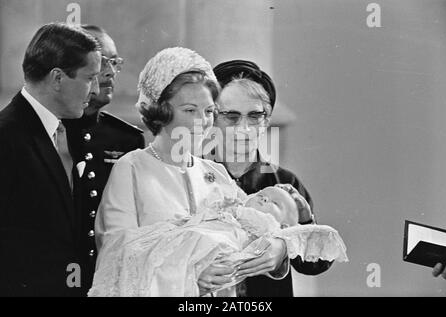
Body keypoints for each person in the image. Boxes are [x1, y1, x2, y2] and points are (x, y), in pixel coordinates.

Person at [95, 47, 289, 296]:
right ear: (161, 111)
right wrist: (188, 274)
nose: (203, 121)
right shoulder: (132, 168)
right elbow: (116, 254)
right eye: (190, 110)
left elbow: (256, 228)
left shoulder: (215, 173)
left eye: (209, 111)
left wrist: (278, 246)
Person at [207, 60, 333, 296]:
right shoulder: (193, 177)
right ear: (212, 118)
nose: (244, 128)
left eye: (255, 116)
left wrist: (294, 236)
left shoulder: (285, 182)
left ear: (267, 120)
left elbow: (316, 264)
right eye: (231, 116)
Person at [89, 184, 348, 297]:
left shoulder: (281, 188)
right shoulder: (214, 174)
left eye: (256, 115)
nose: (266, 198)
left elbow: (312, 249)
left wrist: (282, 245)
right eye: (231, 115)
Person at [0, 22, 101, 296]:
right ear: (57, 78)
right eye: (89, 78)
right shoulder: (6, 137)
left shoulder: (70, 132)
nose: (95, 91)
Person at [62, 25, 145, 294]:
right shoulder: (52, 132)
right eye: (102, 62)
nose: (110, 72)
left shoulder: (127, 139)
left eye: (115, 62)